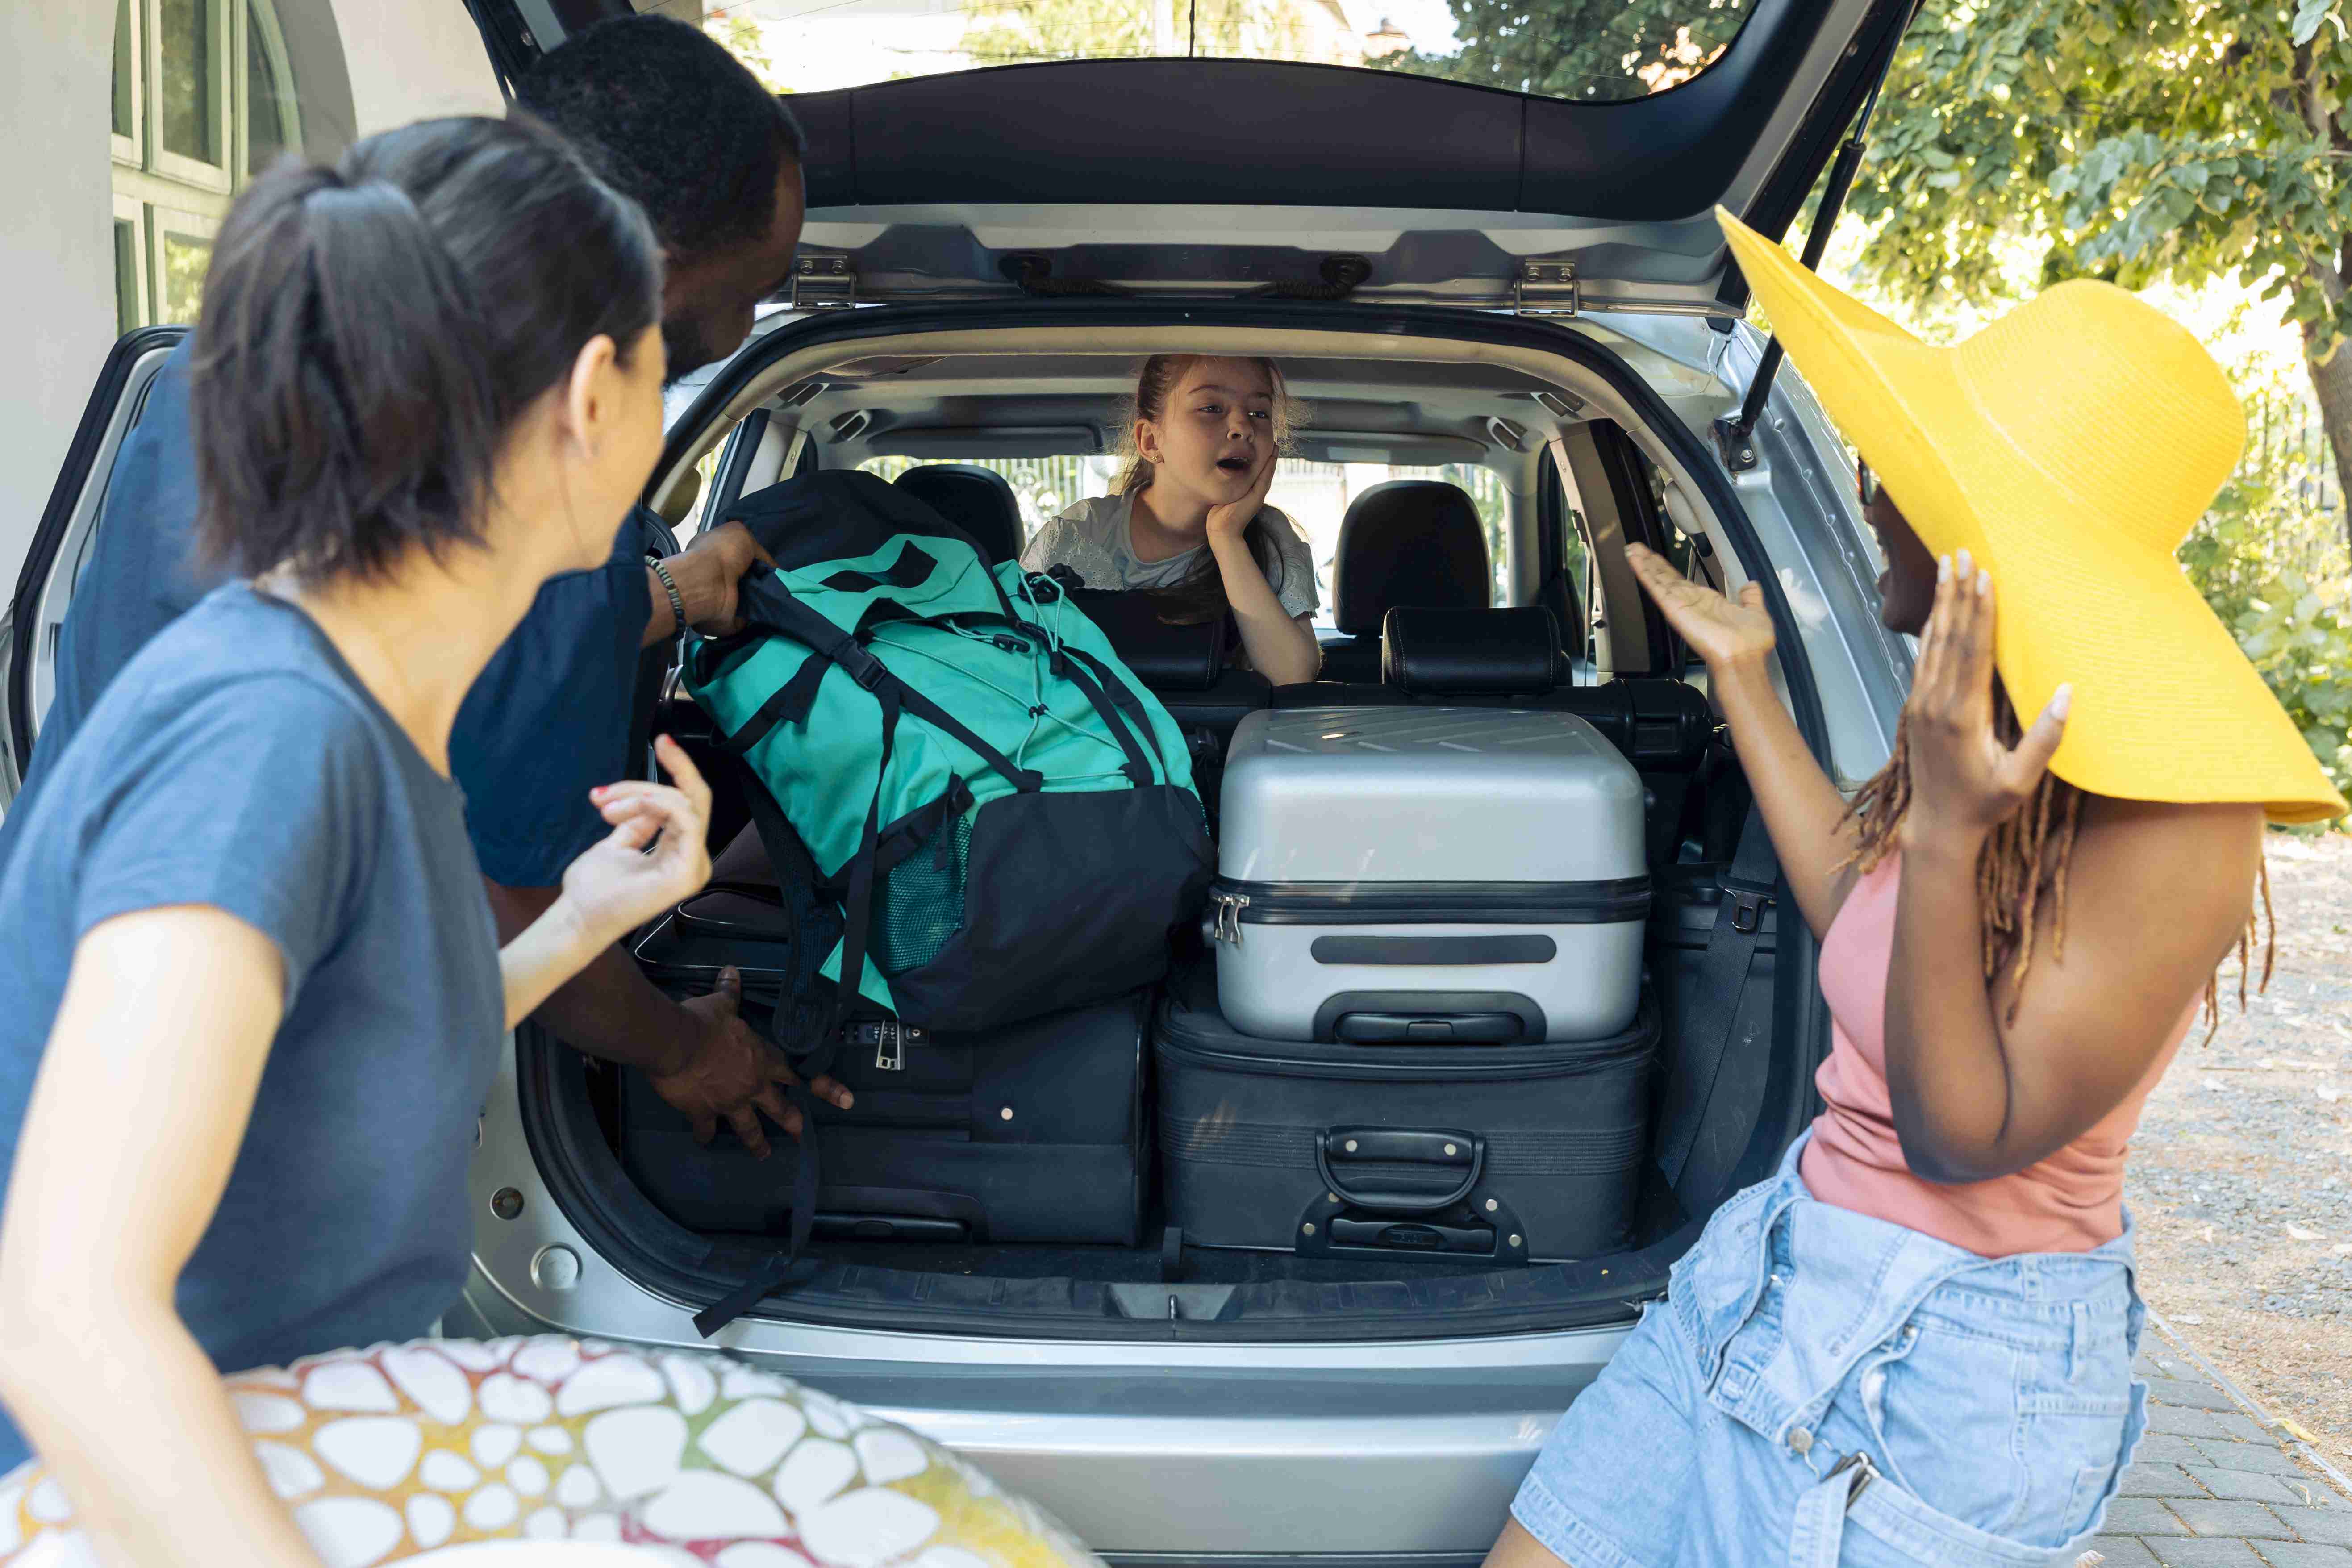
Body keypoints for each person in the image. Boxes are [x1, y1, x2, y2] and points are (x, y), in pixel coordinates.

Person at [1487, 211, 2347, 1568]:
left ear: (1978, 531)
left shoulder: (2184, 824)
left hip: (1956, 1369)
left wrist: (1947, 835)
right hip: (1777, 1261)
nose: (1870, 486)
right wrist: (1747, 682)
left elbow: (1966, 1136)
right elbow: (1868, 927)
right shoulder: (1967, 724)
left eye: (1902, 470)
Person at [0, 116, 710, 1562]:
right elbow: (67, 1315)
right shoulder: (266, 735)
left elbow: (327, 1069)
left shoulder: (360, 717)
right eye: (661, 362)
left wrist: (577, 922)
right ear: (592, 397)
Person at [0, 13, 842, 1159]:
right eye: (763, 282)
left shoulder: (237, 354)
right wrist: (691, 1049)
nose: (754, 319)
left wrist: (679, 594)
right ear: (652, 266)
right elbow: (510, 918)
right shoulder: (533, 503)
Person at [1022, 354, 1323, 683]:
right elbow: (1018, 668)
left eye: (1259, 413)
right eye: (1212, 409)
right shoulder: (1078, 533)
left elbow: (1292, 679)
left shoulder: (1272, 537)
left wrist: (1227, 539)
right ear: (1151, 441)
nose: (1244, 428)